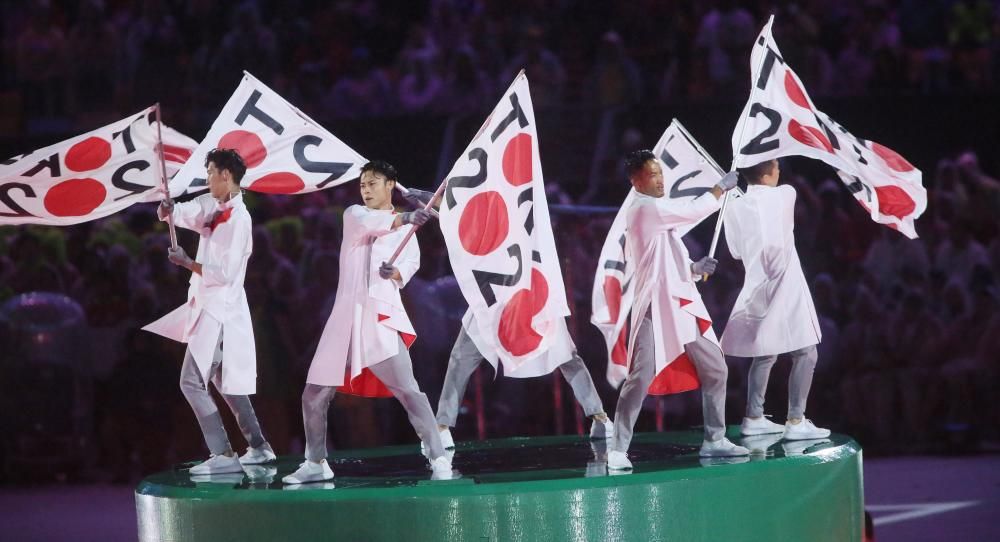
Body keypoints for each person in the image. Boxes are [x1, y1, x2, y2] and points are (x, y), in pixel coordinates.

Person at [400, 190, 614, 451]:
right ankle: (443, 427)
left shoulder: (525, 212)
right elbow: (457, 217)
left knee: (567, 356)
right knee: (460, 359)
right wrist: (427, 196)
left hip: (530, 294)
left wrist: (430, 198)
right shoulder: (486, 218)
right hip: (492, 299)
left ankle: (600, 417)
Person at [282, 160, 451, 484]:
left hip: (380, 316)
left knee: (409, 391)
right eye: (363, 184)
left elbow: (410, 263)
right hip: (345, 317)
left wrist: (396, 273)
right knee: (313, 394)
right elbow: (375, 223)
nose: (366, 189)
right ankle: (316, 461)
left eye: (373, 183)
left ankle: (437, 454)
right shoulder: (354, 214)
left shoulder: (408, 230)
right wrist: (405, 217)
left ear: (391, 185)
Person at [607, 150, 748, 471]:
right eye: (653, 174)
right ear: (635, 181)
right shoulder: (643, 209)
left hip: (680, 306)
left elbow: (670, 258)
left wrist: (695, 268)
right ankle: (618, 448)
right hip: (653, 307)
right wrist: (719, 188)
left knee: (716, 369)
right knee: (640, 378)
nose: (660, 179)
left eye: (660, 173)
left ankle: (714, 440)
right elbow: (692, 210)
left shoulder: (657, 214)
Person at [144, 148, 276, 475]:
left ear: (225, 176)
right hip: (208, 306)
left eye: (210, 173)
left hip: (221, 310)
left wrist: (188, 262)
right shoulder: (212, 204)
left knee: (191, 382)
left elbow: (226, 272)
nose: (206, 180)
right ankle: (259, 447)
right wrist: (169, 209)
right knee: (222, 381)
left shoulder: (240, 219)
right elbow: (185, 211)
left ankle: (224, 454)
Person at [721, 159, 830, 441]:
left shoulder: (734, 205)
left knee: (766, 351)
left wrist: (734, 195)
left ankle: (754, 416)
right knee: (806, 352)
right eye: (777, 166)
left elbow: (735, 251)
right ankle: (796, 419)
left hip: (757, 283)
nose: (780, 170)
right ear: (770, 172)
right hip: (786, 283)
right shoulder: (785, 194)